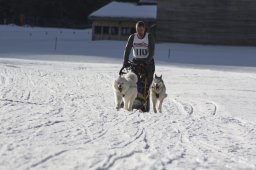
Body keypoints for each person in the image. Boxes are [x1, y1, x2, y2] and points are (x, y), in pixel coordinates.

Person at [122, 21, 155, 112]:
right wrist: (125, 61)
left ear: (144, 29)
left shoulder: (149, 37)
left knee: (147, 82)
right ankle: (130, 99)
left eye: (141, 30)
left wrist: (146, 62)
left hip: (148, 62)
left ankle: (145, 102)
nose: (140, 32)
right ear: (136, 29)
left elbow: (151, 52)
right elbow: (127, 49)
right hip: (136, 61)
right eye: (138, 30)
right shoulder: (132, 37)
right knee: (132, 79)